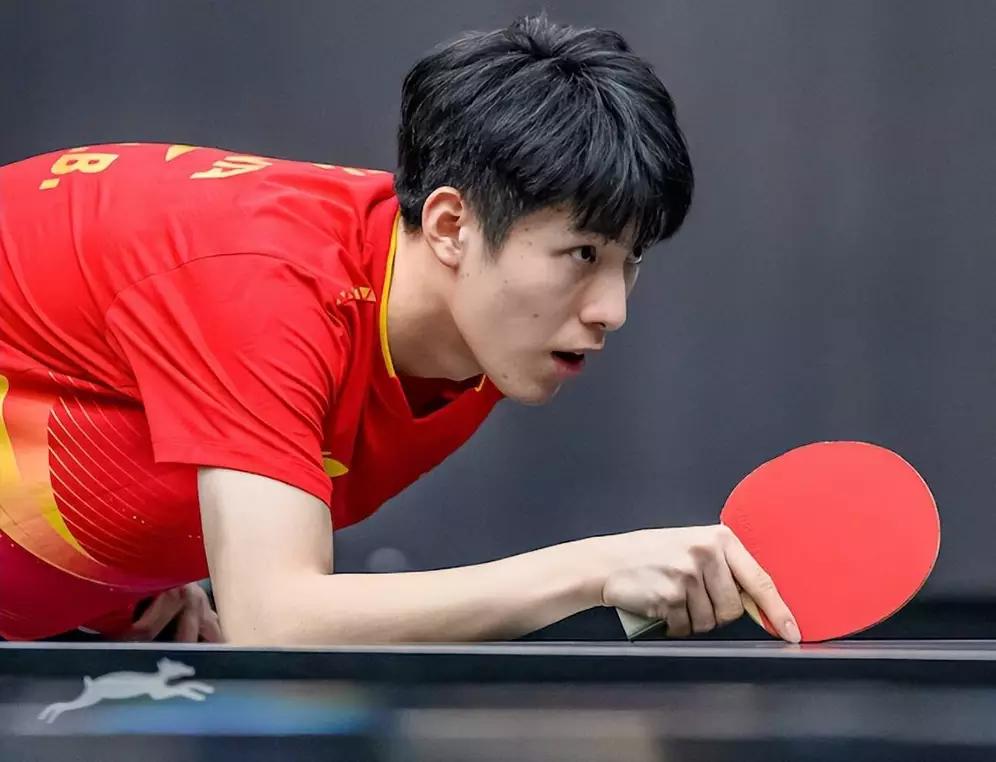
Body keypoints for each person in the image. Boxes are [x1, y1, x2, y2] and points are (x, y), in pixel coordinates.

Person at [0, 15, 800, 644]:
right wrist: (595, 568)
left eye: (631, 261)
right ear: (451, 225)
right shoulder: (266, 285)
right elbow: (276, 622)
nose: (611, 309)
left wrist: (142, 564)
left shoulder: (479, 333)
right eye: (582, 254)